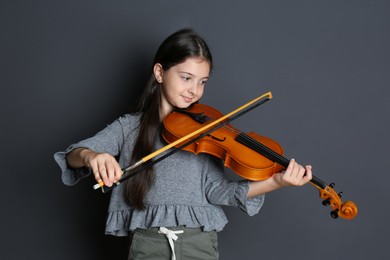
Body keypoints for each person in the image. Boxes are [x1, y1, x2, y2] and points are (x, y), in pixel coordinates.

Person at [54, 28, 312, 260]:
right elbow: (71, 156)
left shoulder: (205, 130)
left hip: (198, 244)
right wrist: (91, 156)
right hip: (147, 246)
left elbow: (217, 191)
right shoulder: (129, 127)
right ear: (159, 72)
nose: (194, 90)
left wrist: (275, 182)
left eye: (202, 82)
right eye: (186, 78)